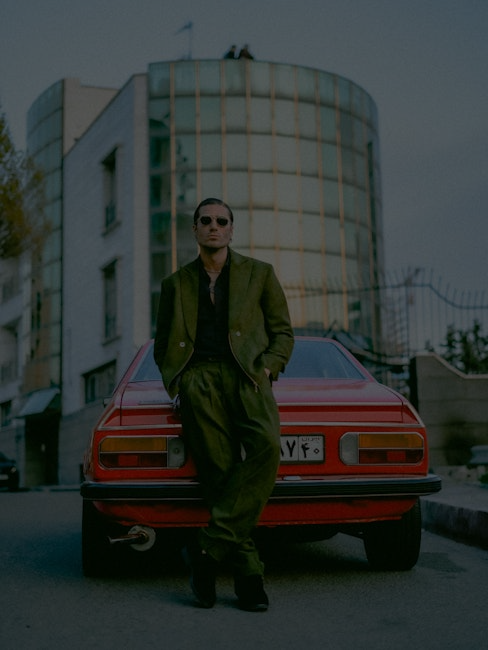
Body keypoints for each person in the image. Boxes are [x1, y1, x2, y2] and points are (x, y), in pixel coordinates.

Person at [154, 198, 294, 611]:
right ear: (195, 230)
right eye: (206, 221)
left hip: (248, 378)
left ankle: (206, 549)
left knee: (267, 447)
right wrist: (179, 381)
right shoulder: (175, 284)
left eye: (221, 221)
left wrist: (267, 367)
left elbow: (283, 333)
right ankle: (249, 575)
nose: (213, 226)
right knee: (219, 473)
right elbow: (163, 344)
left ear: (232, 230)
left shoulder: (260, 274)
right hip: (199, 380)